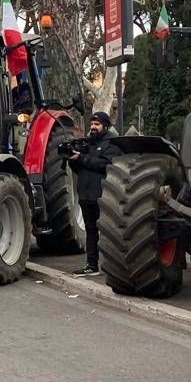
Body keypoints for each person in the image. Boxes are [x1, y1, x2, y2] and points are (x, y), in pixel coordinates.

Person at [69, 110, 121, 276]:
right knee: (91, 231)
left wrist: (83, 159)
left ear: (105, 126)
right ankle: (91, 265)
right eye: (91, 124)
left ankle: (113, 267)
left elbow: (107, 165)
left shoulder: (112, 144)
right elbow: (80, 170)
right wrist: (73, 160)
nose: (93, 127)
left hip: (103, 196)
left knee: (108, 232)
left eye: (97, 124)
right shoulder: (87, 144)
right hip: (86, 195)